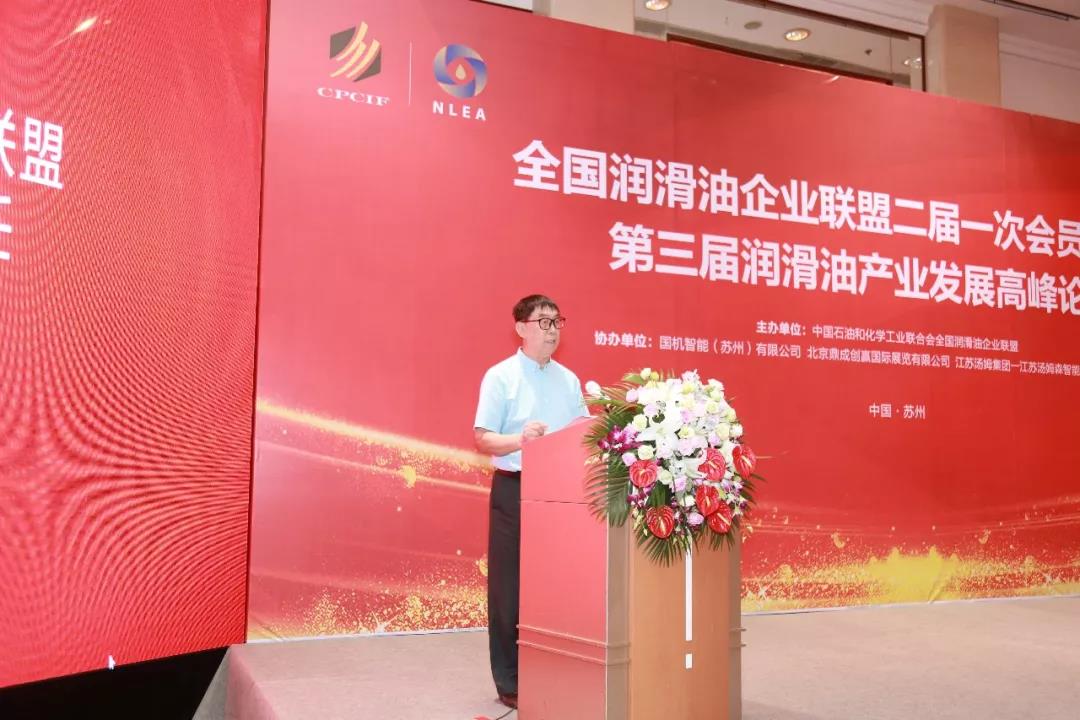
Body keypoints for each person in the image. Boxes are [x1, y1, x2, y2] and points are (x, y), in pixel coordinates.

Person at [473, 294, 588, 710]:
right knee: (509, 588)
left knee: (560, 584)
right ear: (521, 327)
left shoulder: (569, 380)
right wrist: (519, 439)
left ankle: (556, 670)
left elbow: (582, 430)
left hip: (562, 494)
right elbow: (483, 438)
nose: (552, 330)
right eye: (544, 322)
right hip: (515, 489)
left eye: (557, 321)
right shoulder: (500, 377)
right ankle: (510, 681)